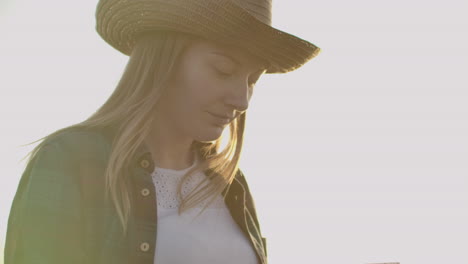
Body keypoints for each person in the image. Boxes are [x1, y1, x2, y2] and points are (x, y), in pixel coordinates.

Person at [4, 0, 321, 263]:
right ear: (162, 61)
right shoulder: (74, 160)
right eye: (222, 70)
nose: (242, 99)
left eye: (253, 80)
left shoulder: (230, 183)